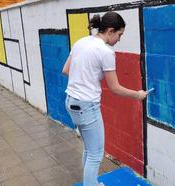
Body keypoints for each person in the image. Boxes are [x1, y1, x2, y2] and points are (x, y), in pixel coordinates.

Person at [62, 12, 147, 186]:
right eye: (119, 34)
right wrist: (138, 95)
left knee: (89, 149)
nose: (119, 39)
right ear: (110, 31)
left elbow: (66, 70)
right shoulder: (106, 52)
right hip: (87, 106)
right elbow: (115, 88)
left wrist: (88, 77)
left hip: (71, 102)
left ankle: (90, 183)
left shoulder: (81, 42)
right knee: (96, 154)